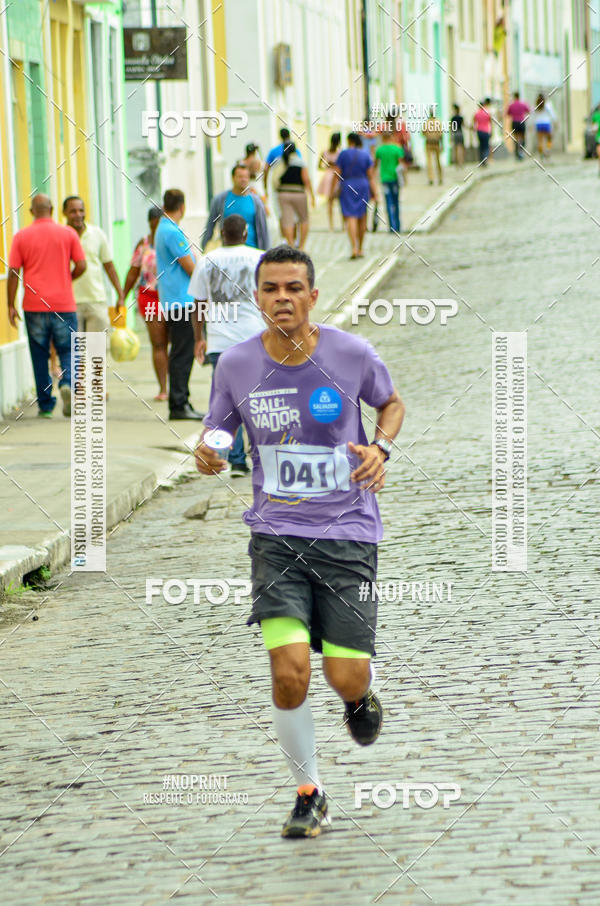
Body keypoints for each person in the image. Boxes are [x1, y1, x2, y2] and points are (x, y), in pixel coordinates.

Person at [194, 245, 405, 838]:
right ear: (256, 298)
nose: (281, 297)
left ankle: (360, 700)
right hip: (276, 538)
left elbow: (391, 403)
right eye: (269, 289)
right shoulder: (235, 364)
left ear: (313, 296)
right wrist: (209, 446)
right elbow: (220, 423)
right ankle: (309, 793)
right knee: (289, 674)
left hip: (348, 535)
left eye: (293, 288)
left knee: (344, 676)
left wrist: (378, 448)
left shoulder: (349, 353)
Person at [189, 215, 265, 476]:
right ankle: (259, 455)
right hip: (254, 338)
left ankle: (236, 460)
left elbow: (198, 305)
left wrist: (199, 338)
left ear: (221, 234)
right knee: (257, 398)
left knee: (228, 401)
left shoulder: (206, 260)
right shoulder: (259, 258)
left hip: (220, 342)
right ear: (245, 234)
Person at [7, 194, 86, 417]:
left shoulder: (21, 237)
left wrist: (10, 304)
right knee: (69, 350)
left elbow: (13, 272)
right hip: (64, 303)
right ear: (52, 209)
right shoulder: (68, 233)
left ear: (32, 212)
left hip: (34, 305)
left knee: (40, 354)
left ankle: (46, 405)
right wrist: (67, 279)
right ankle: (68, 384)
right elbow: (81, 265)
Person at [155, 189, 203, 421]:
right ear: (182, 207)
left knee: (180, 353)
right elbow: (190, 266)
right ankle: (179, 403)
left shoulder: (163, 228)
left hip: (173, 299)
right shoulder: (172, 232)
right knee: (183, 354)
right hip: (181, 300)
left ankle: (181, 400)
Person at [122, 206, 167, 401]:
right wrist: (122, 295)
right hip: (149, 297)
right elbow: (133, 270)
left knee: (174, 344)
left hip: (171, 297)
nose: (157, 230)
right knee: (158, 343)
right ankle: (164, 388)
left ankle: (179, 386)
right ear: (149, 224)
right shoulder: (144, 244)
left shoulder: (173, 240)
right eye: (154, 225)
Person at [63, 196, 124, 333]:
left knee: (96, 351)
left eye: (81, 211)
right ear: (64, 213)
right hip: (70, 303)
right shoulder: (61, 236)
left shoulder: (97, 234)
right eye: (73, 211)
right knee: (76, 352)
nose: (78, 215)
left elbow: (109, 266)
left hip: (96, 301)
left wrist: (120, 295)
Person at [201, 163, 270, 252]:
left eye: (246, 177)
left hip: (252, 251)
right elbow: (210, 224)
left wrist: (267, 253)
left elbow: (263, 229)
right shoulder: (220, 200)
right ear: (233, 178)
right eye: (240, 177)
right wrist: (204, 245)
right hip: (227, 251)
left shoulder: (256, 201)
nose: (243, 180)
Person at [333, 133, 377, 259]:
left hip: (347, 184)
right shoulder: (365, 154)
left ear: (349, 141)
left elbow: (337, 173)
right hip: (363, 184)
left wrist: (333, 189)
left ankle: (354, 247)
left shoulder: (343, 154)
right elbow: (371, 175)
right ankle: (361, 248)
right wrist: (375, 192)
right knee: (362, 216)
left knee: (350, 216)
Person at [270, 142, 315, 249]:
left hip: (283, 194)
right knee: (304, 219)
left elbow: (274, 180)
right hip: (299, 193)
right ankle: (301, 246)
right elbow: (306, 180)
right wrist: (312, 196)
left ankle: (290, 244)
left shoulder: (279, 162)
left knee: (287, 220)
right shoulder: (300, 162)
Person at [374, 128, 404, 233]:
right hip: (395, 178)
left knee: (388, 203)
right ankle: (398, 226)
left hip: (385, 179)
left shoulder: (379, 150)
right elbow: (401, 164)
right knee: (396, 202)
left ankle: (391, 227)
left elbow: (375, 164)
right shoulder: (397, 149)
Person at [317, 133, 342, 231]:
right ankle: (343, 225)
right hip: (337, 177)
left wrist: (328, 166)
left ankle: (331, 225)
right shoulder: (340, 152)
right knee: (341, 202)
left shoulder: (325, 152)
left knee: (330, 202)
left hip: (328, 176)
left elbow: (319, 166)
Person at [506, 92, 530, 160]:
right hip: (522, 122)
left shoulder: (511, 105)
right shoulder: (523, 104)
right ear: (519, 96)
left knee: (516, 139)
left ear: (514, 97)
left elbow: (508, 113)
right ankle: (521, 152)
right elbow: (528, 110)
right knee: (522, 138)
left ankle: (517, 154)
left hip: (514, 122)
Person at [422, 109, 444, 185]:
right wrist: (442, 145)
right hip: (437, 143)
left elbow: (423, 133)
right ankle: (440, 178)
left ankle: (431, 178)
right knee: (438, 161)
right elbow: (441, 135)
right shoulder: (438, 122)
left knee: (429, 162)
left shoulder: (426, 123)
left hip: (428, 143)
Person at [473, 99, 493, 165]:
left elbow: (474, 122)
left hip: (479, 131)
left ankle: (481, 160)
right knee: (486, 146)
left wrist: (474, 130)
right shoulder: (487, 112)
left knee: (481, 146)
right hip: (486, 131)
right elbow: (490, 122)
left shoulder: (476, 113)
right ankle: (485, 159)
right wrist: (491, 131)